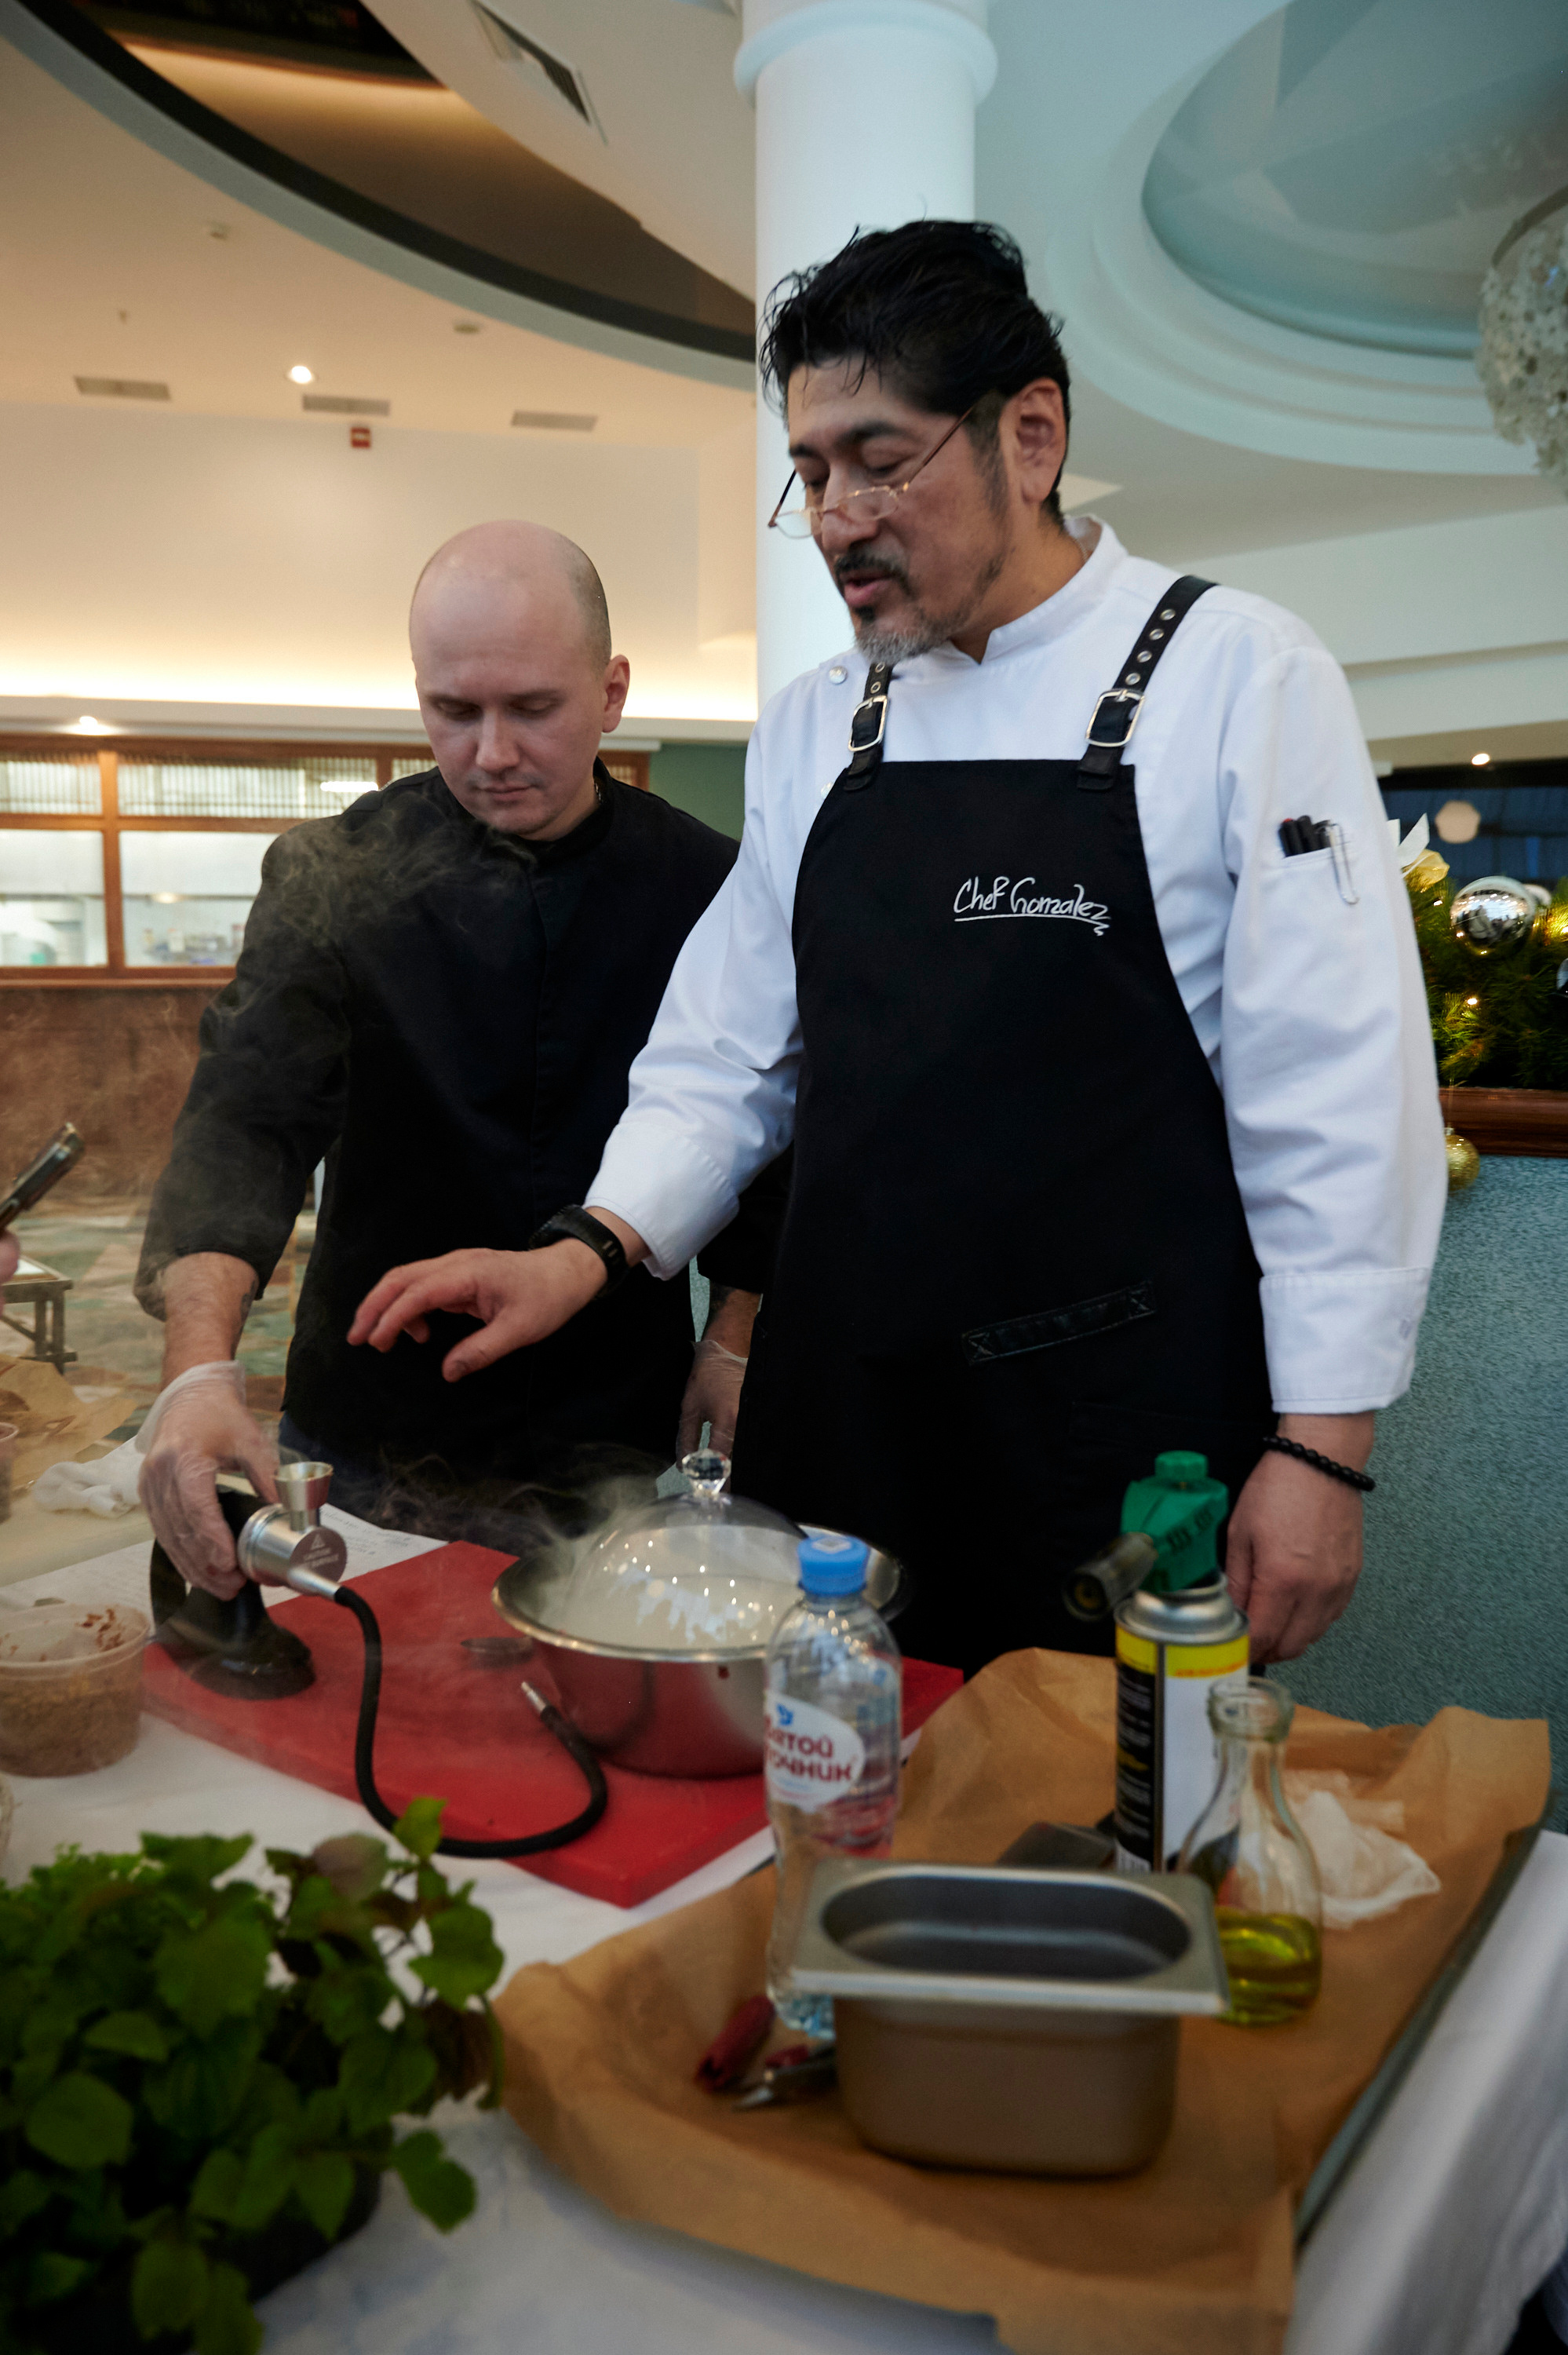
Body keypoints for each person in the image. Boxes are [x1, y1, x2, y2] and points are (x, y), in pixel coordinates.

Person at [349, 225, 1446, 1676]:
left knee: (1104, 1828)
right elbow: (726, 1050)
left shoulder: (1235, 674)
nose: (837, 516)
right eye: (808, 473)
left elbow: (1338, 1088)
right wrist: (588, 1250)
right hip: (847, 1409)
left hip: (1114, 1428)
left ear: (1031, 437)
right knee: (827, 1794)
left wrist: (1323, 1446)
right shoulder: (819, 724)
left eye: (880, 459)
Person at [137, 521, 772, 1598]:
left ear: (611, 692)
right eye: (454, 711)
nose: (490, 752)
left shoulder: (709, 885)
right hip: (373, 1408)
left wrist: (734, 1341)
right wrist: (197, 1370)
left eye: (532, 708)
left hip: (610, 1404)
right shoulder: (329, 876)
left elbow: (765, 1133)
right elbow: (245, 1125)